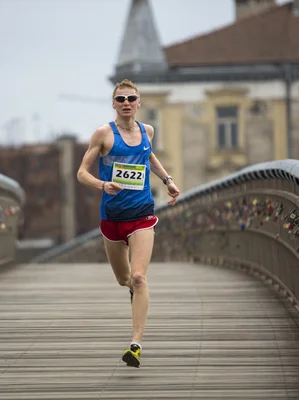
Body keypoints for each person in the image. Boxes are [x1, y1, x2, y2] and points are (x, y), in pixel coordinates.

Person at [76, 79, 181, 368]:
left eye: (131, 98)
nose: (126, 102)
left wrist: (168, 181)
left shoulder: (147, 131)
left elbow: (148, 155)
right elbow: (81, 173)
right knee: (124, 280)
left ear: (138, 103)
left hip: (142, 216)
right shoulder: (103, 135)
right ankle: (134, 293)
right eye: (120, 98)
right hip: (112, 219)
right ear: (113, 103)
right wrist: (102, 184)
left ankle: (135, 344)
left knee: (139, 277)